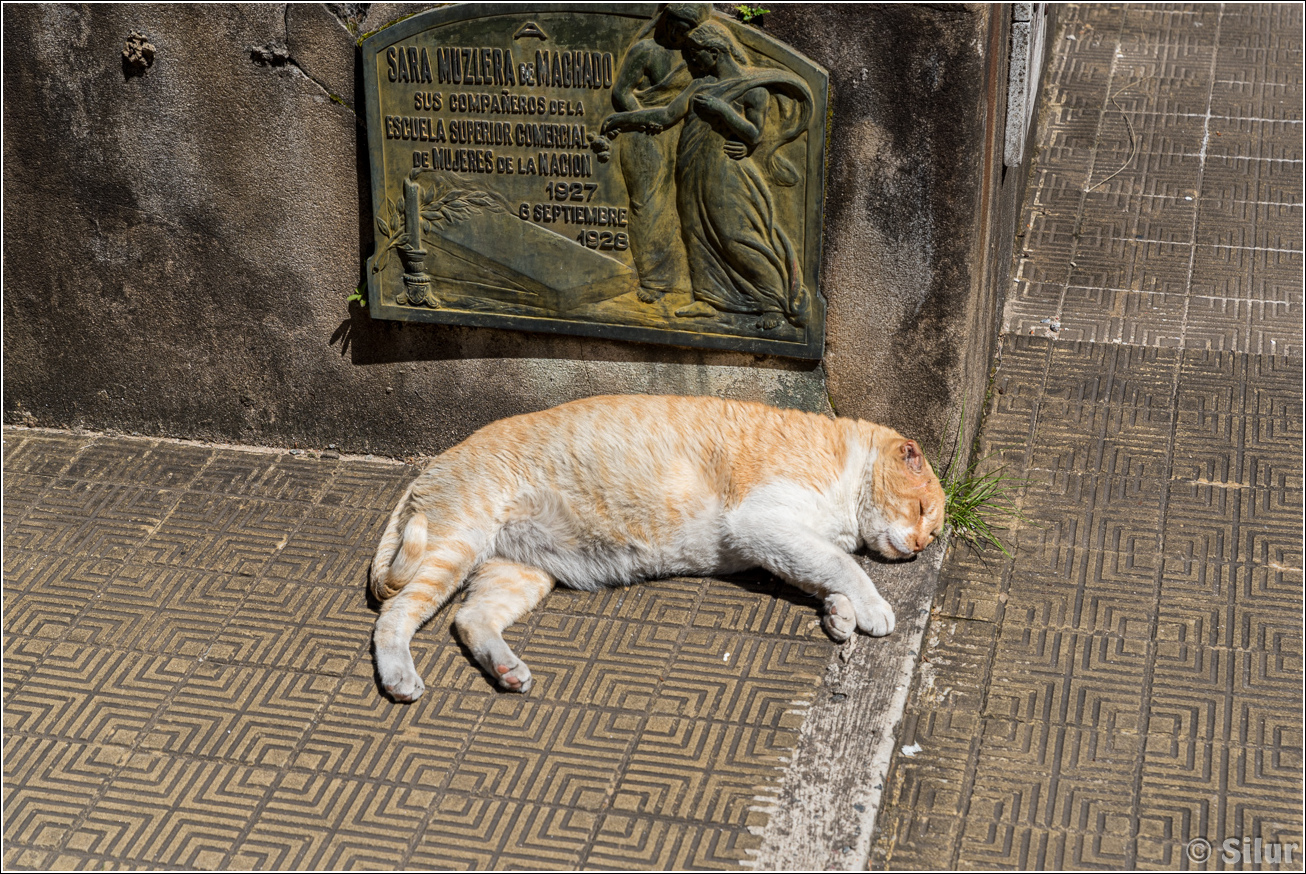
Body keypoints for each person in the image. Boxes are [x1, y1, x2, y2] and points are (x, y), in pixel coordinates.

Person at [601, 21, 813, 330]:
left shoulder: (753, 89)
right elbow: (666, 115)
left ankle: (773, 302)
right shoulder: (699, 85)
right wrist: (624, 118)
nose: (689, 61)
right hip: (692, 168)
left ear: (714, 52)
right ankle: (709, 299)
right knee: (694, 231)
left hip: (726, 171)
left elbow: (754, 134)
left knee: (735, 235)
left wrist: (723, 110)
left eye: (693, 54)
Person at [607, 4, 709, 301]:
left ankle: (689, 279)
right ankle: (654, 279)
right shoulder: (645, 50)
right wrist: (642, 118)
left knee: (683, 204)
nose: (677, 33)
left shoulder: (697, 55)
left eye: (685, 29)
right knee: (647, 205)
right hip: (642, 137)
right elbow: (621, 91)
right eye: (674, 25)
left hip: (682, 133)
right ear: (666, 20)